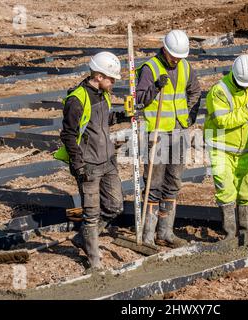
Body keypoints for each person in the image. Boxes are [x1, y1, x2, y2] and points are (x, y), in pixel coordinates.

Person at [54, 51, 124, 268]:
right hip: (89, 165)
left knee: (115, 206)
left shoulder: (104, 95)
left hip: (108, 160)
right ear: (99, 76)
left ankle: (83, 237)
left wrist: (124, 116)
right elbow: (68, 135)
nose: (113, 82)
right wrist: (78, 164)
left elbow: (103, 120)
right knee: (91, 214)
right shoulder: (77, 99)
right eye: (111, 78)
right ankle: (94, 261)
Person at [136, 29, 202, 247]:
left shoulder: (184, 66)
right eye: (174, 56)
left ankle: (165, 233)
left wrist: (190, 116)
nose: (176, 60)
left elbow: (195, 91)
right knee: (154, 184)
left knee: (173, 182)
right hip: (157, 133)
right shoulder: (150, 68)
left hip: (179, 132)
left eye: (179, 57)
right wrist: (155, 87)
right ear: (164, 49)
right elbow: (140, 100)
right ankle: (147, 234)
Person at [203, 54, 248, 242]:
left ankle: (245, 232)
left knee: (246, 190)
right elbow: (222, 121)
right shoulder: (219, 91)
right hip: (221, 148)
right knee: (226, 190)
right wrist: (247, 110)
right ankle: (229, 234)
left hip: (245, 149)